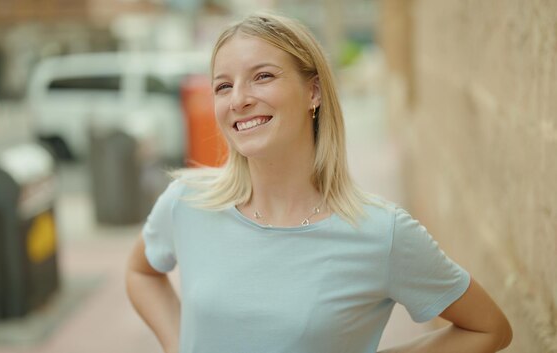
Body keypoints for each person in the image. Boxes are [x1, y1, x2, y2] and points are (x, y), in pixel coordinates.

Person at [126, 13, 512, 353]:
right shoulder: (187, 201)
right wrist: (177, 343)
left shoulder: (381, 233)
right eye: (223, 86)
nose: (239, 99)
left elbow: (488, 329)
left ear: (312, 92)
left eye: (262, 76)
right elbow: (142, 272)